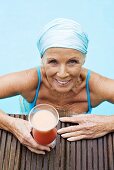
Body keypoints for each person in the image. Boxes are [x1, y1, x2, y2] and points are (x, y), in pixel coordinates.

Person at [0, 18, 114, 154]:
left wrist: (108, 123)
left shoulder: (96, 86)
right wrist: (11, 124)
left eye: (72, 61)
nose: (62, 74)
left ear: (84, 59)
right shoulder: (30, 81)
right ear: (42, 59)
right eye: (53, 61)